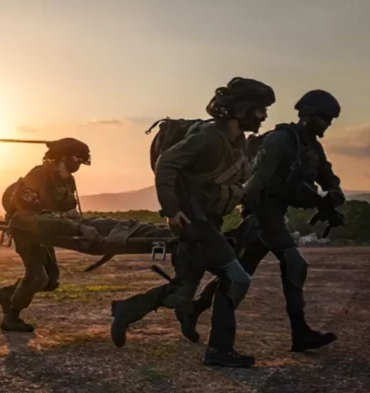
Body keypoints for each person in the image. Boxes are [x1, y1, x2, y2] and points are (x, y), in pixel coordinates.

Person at [109, 77, 277, 368]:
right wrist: (172, 210)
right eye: (260, 110)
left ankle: (126, 310)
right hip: (196, 223)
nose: (263, 116)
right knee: (237, 278)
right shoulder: (210, 137)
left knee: (181, 293)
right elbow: (167, 163)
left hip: (208, 222)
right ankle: (219, 350)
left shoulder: (235, 141)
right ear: (242, 108)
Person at [181, 90, 344, 353]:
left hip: (275, 214)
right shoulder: (281, 141)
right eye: (325, 118)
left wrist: (334, 192)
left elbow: (327, 174)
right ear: (309, 115)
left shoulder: (312, 147)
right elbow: (257, 182)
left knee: (241, 272)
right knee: (294, 264)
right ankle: (298, 332)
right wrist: (251, 216)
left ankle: (194, 309)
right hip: (262, 213)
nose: (328, 124)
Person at [0, 138, 98, 332]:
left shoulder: (67, 180)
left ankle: (7, 294)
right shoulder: (39, 174)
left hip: (44, 231)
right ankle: (11, 317)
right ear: (63, 157)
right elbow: (26, 206)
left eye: (82, 160)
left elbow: (69, 207)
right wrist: (59, 217)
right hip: (26, 228)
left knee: (52, 281)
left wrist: (69, 218)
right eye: (77, 158)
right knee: (38, 277)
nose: (79, 163)